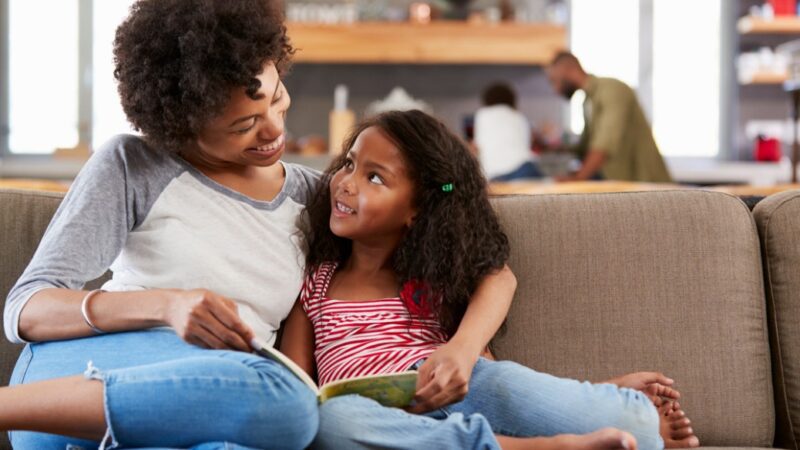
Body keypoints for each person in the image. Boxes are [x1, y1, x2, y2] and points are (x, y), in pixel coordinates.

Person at [1, 2, 518, 448]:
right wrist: (166, 305)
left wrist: (464, 348)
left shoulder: (320, 199)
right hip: (70, 387)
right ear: (180, 124)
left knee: (275, 417)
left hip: (221, 406)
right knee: (289, 402)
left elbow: (485, 268)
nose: (274, 130)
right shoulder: (134, 166)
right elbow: (25, 308)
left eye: (275, 97)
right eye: (243, 125)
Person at [279, 110, 700, 450]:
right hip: (381, 418)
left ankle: (602, 399)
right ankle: (544, 448)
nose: (345, 183)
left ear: (417, 211)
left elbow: (499, 280)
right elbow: (296, 392)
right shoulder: (316, 285)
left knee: (630, 425)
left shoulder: (431, 277)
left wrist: (460, 353)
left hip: (463, 391)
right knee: (332, 422)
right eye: (349, 164)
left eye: (374, 177)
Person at [546, 51, 672, 183]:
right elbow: (586, 147)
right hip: (620, 184)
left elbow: (604, 144)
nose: (556, 90)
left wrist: (578, 178)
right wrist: (558, 149)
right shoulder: (588, 101)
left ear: (569, 70)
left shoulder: (613, 90)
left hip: (645, 184)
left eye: (554, 81)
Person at [474, 82, 543, 181]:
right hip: (528, 167)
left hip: (500, 175)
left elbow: (478, 148)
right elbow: (527, 144)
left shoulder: (482, 115)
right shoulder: (520, 117)